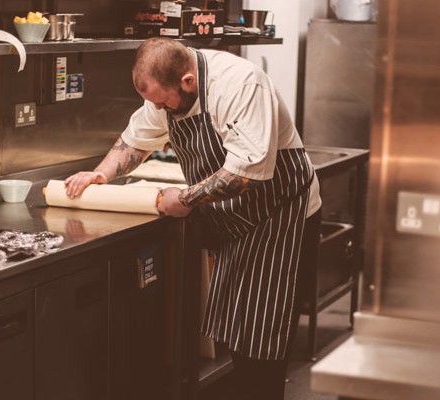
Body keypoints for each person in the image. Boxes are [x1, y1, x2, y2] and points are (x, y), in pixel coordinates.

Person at [64, 37, 322, 400]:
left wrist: (185, 198)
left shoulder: (240, 85)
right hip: (235, 218)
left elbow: (247, 172)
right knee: (237, 326)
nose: (158, 108)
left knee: (262, 335)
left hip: (281, 215)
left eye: (162, 100)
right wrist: (101, 175)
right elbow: (137, 141)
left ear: (187, 81)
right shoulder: (167, 89)